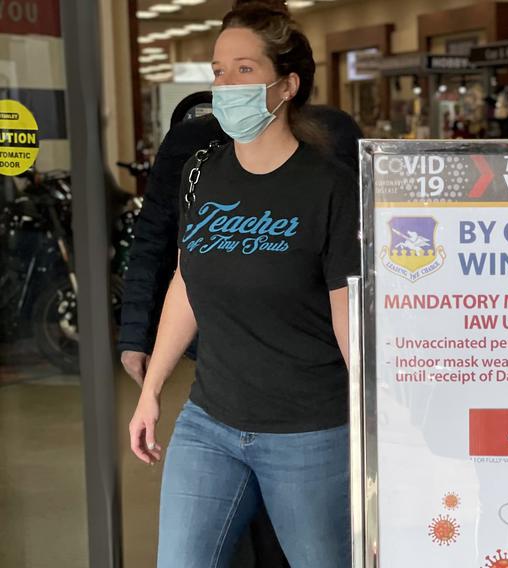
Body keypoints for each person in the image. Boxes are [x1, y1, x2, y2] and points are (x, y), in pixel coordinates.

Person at [127, 2, 359, 566]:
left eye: (244, 69)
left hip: (308, 431)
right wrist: (151, 389)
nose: (225, 84)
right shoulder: (202, 172)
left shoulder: (328, 184)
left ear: (287, 84)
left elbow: (345, 309)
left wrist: (375, 417)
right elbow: (187, 280)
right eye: (217, 71)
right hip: (210, 422)